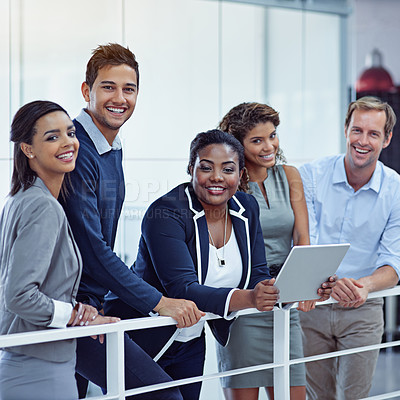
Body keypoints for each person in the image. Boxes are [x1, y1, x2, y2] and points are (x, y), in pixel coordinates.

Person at [60, 43, 203, 399]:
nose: (119, 98)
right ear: (86, 90)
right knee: (163, 395)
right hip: (69, 309)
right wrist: (159, 302)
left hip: (91, 303)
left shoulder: (112, 146)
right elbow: (92, 249)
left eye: (129, 88)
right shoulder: (78, 151)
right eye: (108, 86)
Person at [104, 129, 280, 399]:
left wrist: (279, 290)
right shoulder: (166, 212)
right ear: (191, 168)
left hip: (192, 338)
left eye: (228, 169)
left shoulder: (246, 207)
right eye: (206, 167)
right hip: (140, 334)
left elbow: (256, 273)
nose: (217, 177)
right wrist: (251, 298)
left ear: (241, 174)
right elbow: (182, 288)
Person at [0, 100, 119, 400]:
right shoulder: (42, 207)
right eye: (52, 137)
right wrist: (76, 314)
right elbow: (18, 295)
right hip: (39, 369)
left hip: (27, 360)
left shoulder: (21, 199)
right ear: (28, 149)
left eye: (70, 133)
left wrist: (79, 307)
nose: (68, 143)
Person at [215, 102, 334, 400]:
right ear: (238, 145)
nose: (269, 146)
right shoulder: (227, 183)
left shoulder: (290, 175)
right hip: (244, 306)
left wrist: (308, 284)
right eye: (257, 140)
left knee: (294, 393)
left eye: (273, 135)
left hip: (284, 301)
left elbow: (302, 238)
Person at [299, 96, 400, 400]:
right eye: (357, 130)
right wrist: (332, 282)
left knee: (356, 396)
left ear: (387, 139)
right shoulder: (311, 176)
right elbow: (307, 241)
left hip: (363, 307)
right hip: (313, 303)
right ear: (345, 130)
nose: (363, 140)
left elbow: (394, 263)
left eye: (373, 134)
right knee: (318, 397)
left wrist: (363, 285)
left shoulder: (395, 190)